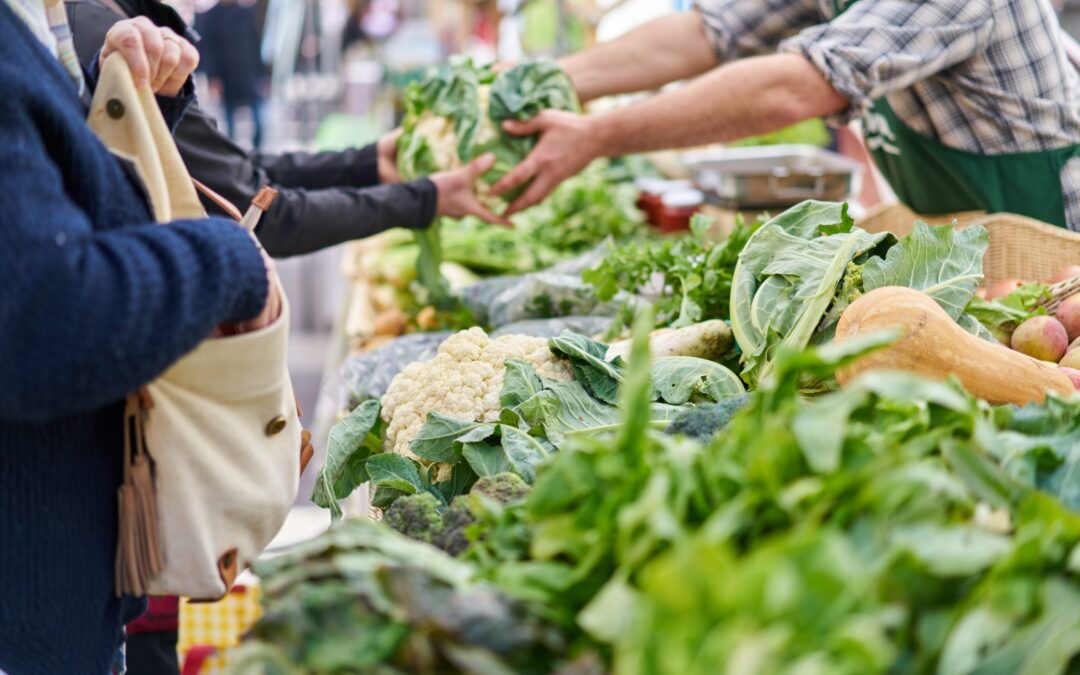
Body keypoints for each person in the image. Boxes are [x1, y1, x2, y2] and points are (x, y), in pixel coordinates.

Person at [493, 0, 1080, 231]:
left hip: (1056, 250)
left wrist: (597, 135)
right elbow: (708, 31)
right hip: (966, 244)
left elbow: (797, 87)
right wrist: (549, 84)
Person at [66, 0, 507, 260]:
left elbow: (239, 174)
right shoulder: (100, 31)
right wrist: (424, 199)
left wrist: (368, 162)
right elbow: (257, 217)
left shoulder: (118, 17)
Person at [193, 0, 265, 149]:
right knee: (230, 116)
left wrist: (261, 73)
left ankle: (257, 148)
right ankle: (233, 149)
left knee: (258, 115)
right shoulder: (211, 16)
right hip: (226, 75)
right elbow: (209, 50)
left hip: (247, 72)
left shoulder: (245, 13)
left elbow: (254, 44)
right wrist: (213, 77)